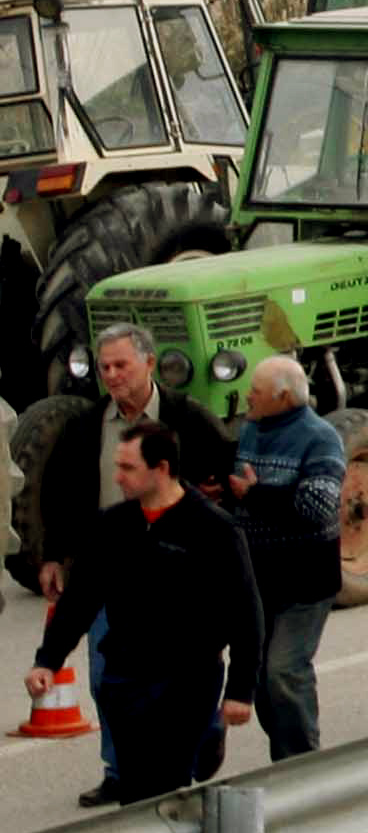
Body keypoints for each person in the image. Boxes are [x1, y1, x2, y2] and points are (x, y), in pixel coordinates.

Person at [26, 422, 258, 833]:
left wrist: (240, 690)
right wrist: (47, 660)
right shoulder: (114, 526)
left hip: (186, 681)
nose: (117, 475)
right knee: (141, 798)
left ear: (161, 469)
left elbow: (247, 614)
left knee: (155, 799)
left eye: (127, 467)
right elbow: (81, 600)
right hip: (125, 681)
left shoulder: (212, 529)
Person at [30, 325, 234, 801]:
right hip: (111, 569)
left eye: (121, 365)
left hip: (179, 576)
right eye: (104, 367)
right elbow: (57, 493)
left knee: (184, 677)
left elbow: (226, 468)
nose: (112, 375)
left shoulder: (186, 418)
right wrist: (54, 557)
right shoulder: (86, 425)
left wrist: (217, 495)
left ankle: (202, 734)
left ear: (148, 362)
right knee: (108, 680)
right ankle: (120, 770)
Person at [225, 355, 341, 760]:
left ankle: (303, 764)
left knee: (284, 672)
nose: (247, 398)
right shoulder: (251, 431)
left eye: (255, 392)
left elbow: (320, 504)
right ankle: (286, 754)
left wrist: (256, 495)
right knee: (261, 679)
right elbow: (238, 491)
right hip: (259, 582)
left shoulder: (320, 438)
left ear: (284, 397)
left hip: (305, 582)